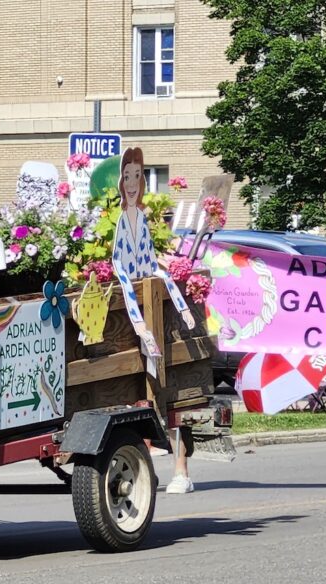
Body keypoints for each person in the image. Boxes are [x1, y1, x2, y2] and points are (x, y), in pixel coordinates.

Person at [110, 147, 197, 494]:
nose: (132, 183)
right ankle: (145, 468)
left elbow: (149, 266)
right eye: (127, 176)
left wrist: (178, 300)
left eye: (137, 176)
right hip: (134, 312)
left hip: (156, 310)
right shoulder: (120, 221)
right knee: (139, 395)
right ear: (121, 183)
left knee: (170, 391)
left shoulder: (142, 220)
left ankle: (182, 469)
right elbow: (120, 267)